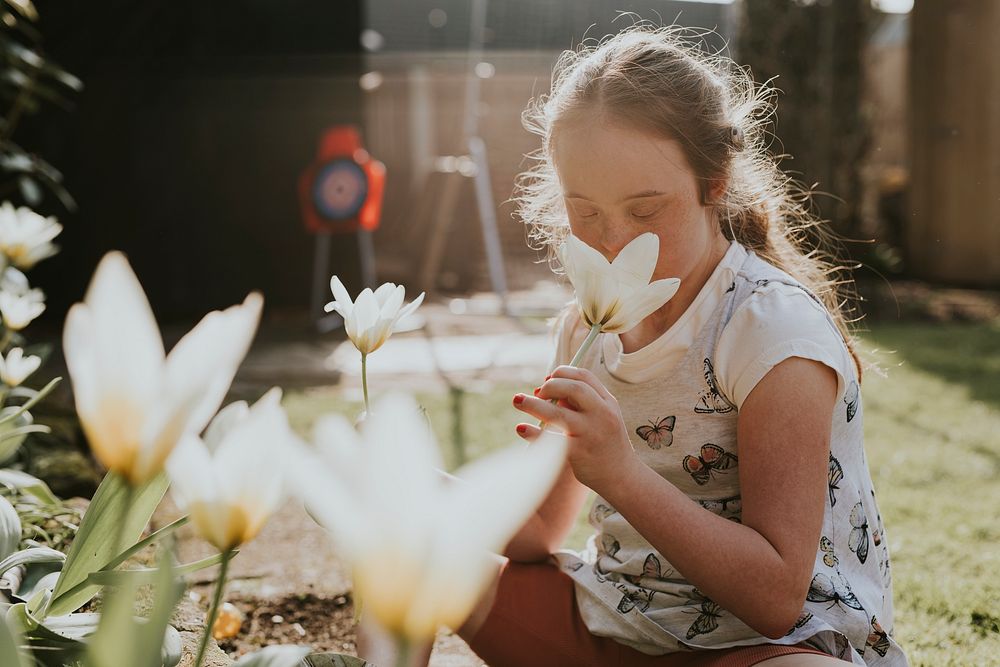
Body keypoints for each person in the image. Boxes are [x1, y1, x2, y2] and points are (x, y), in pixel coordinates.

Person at [454, 26, 907, 666]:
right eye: (585, 213)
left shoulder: (770, 332)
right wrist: (432, 496)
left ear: (714, 180)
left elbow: (777, 597)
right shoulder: (585, 328)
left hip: (764, 648)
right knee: (402, 554)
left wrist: (620, 473)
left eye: (645, 211)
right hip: (611, 627)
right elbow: (537, 538)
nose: (612, 244)